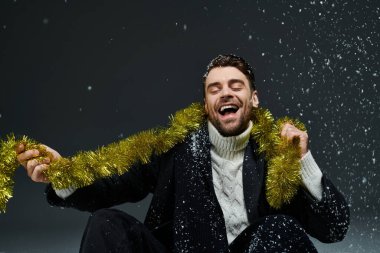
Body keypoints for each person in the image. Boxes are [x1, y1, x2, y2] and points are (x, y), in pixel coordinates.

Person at [16, 54, 350, 253]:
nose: (225, 93)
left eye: (236, 86)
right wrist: (64, 174)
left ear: (254, 98)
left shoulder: (276, 156)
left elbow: (334, 227)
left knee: (279, 228)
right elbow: (112, 185)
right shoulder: (175, 149)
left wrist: (303, 160)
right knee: (106, 223)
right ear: (206, 105)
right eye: (215, 88)